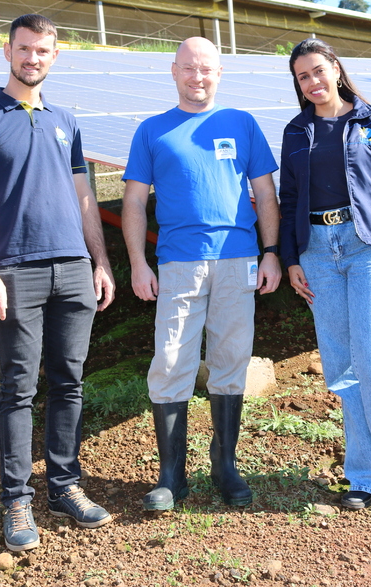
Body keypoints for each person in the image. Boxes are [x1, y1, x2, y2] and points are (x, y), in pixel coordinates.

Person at [0, 14, 116, 552]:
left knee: (70, 381)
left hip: (72, 267)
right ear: (7, 51)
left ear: (55, 55)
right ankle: (16, 500)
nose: (33, 58)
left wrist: (101, 261)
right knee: (18, 388)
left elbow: (85, 199)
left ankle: (65, 487)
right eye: (24, 49)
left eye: (43, 51)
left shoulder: (66, 119)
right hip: (14, 270)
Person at [122, 36, 281, 510]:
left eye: (207, 68)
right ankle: (172, 476)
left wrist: (271, 252)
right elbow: (133, 202)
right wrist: (137, 263)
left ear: (219, 73)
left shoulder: (243, 124)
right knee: (171, 361)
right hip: (178, 262)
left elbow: (266, 195)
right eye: (189, 68)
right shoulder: (152, 131)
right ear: (174, 71)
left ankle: (224, 465)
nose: (198, 77)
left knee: (231, 359)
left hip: (238, 258)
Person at [278, 38, 371, 511]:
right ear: (297, 84)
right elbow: (289, 199)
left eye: (318, 71)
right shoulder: (296, 132)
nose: (313, 82)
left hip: (370, 251)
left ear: (336, 69)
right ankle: (363, 477)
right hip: (318, 252)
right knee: (342, 366)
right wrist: (291, 257)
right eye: (303, 77)